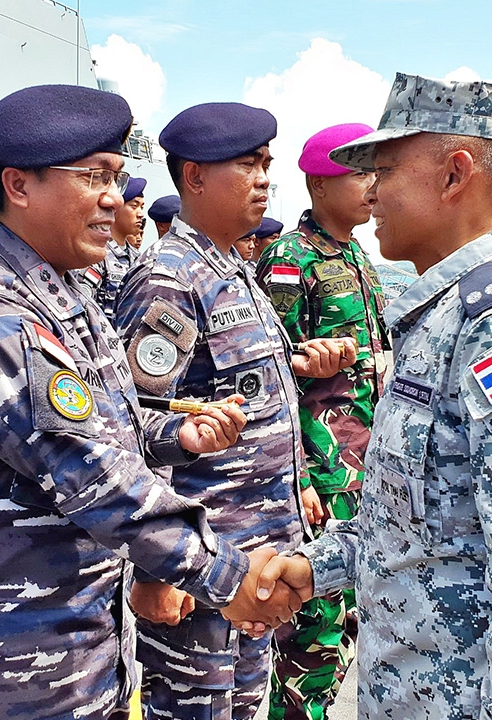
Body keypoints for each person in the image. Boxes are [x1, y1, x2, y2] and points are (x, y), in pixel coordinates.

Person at [0, 83, 303, 720]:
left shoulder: (65, 296)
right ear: (19, 185)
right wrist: (228, 577)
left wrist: (170, 434)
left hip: (70, 651)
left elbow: (100, 424)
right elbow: (92, 473)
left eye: (117, 175)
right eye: (93, 177)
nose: (114, 198)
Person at [252, 73, 492, 720]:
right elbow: (415, 522)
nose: (370, 192)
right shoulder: (441, 313)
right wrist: (312, 569)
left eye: (384, 170)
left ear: (455, 175)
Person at [114, 101, 347, 720]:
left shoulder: (233, 269)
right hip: (203, 561)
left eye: (268, 164)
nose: (265, 178)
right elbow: (136, 426)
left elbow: (252, 393)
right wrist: (156, 569)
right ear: (194, 177)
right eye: (248, 165)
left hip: (257, 554)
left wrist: (296, 483)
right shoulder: (168, 280)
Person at [255, 122, 388, 720]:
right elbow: (268, 375)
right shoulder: (290, 257)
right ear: (318, 182)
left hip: (365, 459)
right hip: (322, 462)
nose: (372, 184)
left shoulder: (359, 252)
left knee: (352, 607)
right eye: (359, 172)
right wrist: (301, 473)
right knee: (319, 618)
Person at [79, 176, 145, 317]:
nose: (140, 214)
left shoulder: (139, 258)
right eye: (134, 206)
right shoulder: (98, 255)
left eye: (142, 207)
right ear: (116, 208)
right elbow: (83, 304)